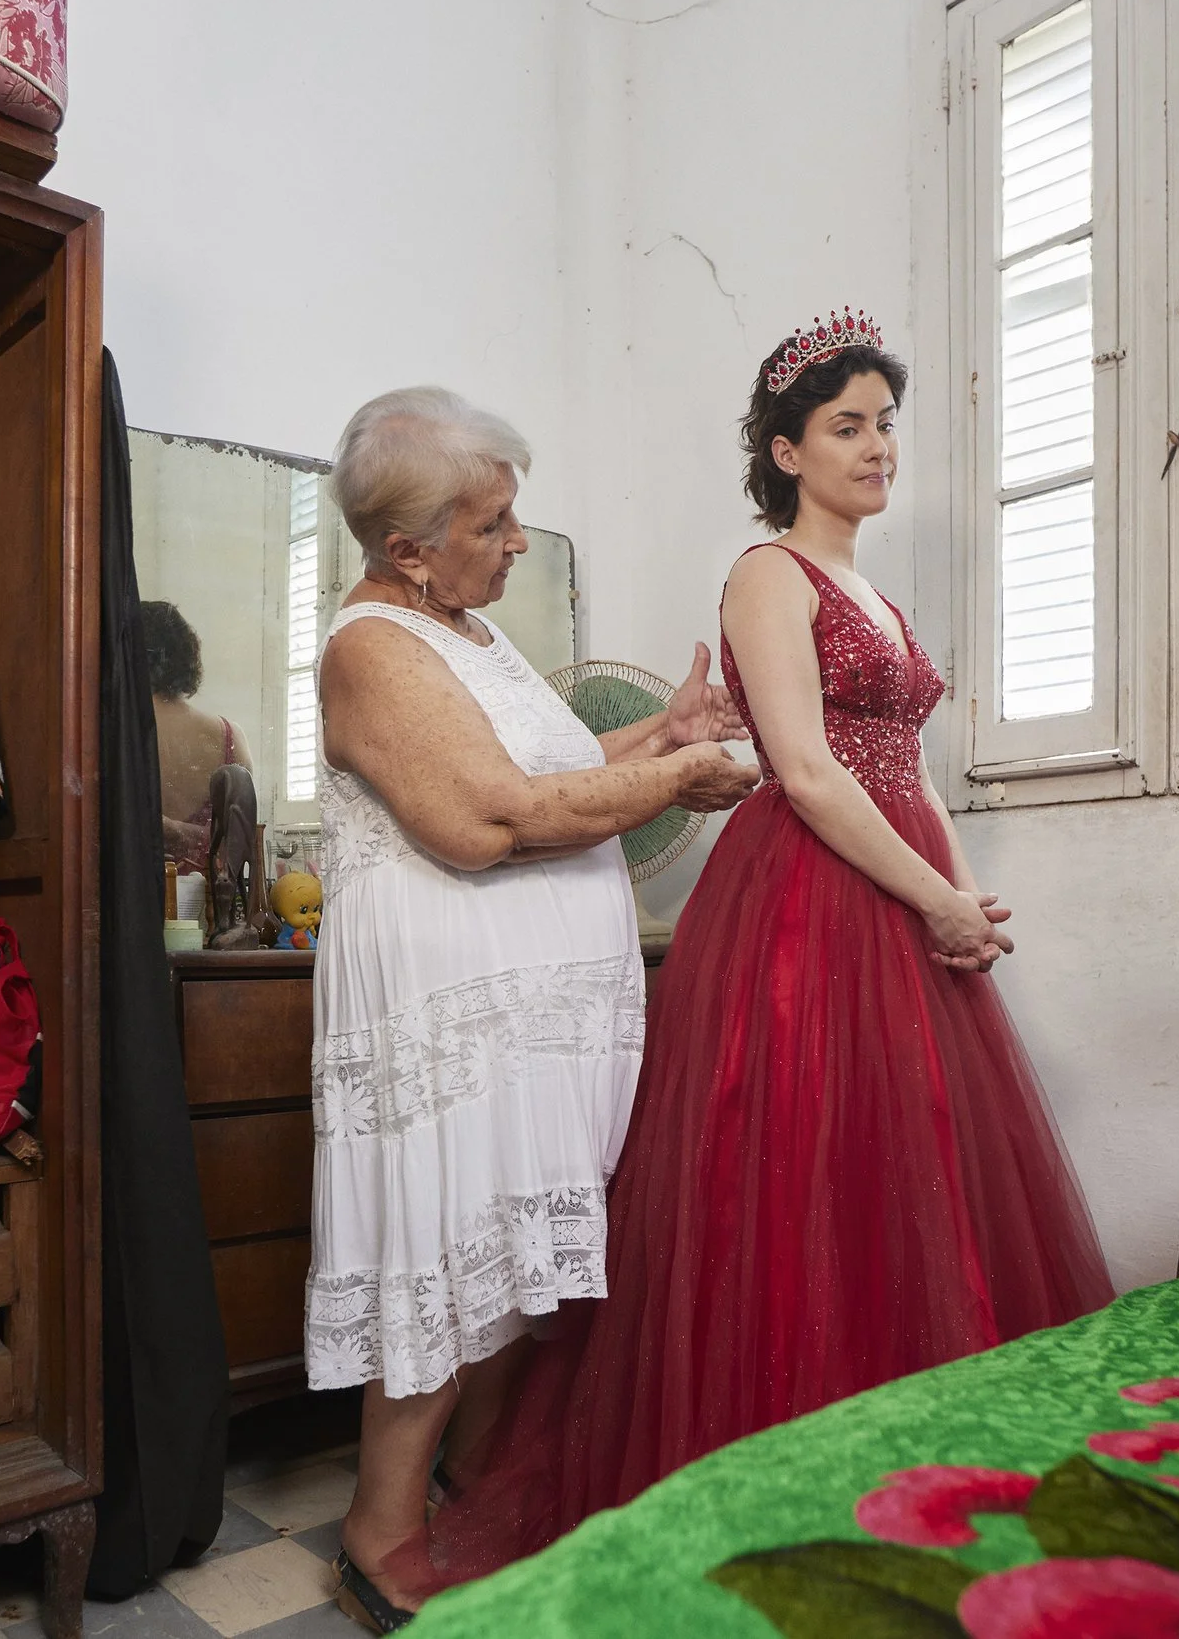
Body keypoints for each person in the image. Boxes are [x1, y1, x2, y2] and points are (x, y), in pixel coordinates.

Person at [428, 311, 1114, 1587]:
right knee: (789, 1173)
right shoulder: (766, 574)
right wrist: (935, 898)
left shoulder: (878, 597)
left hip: (899, 886)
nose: (876, 447)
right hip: (804, 897)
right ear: (788, 451)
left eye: (885, 424)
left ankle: (915, 1464)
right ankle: (775, 1479)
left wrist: (962, 900)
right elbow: (800, 771)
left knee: (905, 1163)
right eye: (846, 426)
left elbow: (907, 766)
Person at [309, 386, 756, 1628]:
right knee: (446, 1241)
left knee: (511, 1247)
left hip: (537, 1007)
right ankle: (377, 1527)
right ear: (408, 548)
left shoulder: (469, 631)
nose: (517, 540)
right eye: (495, 522)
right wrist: (679, 774)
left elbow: (540, 774)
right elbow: (483, 819)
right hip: (450, 995)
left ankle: (469, 1472)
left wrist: (658, 733)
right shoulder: (371, 647)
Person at [139, 599, 246, 874]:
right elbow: (242, 841)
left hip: (127, 905)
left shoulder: (111, 734)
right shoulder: (229, 737)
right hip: (205, 909)